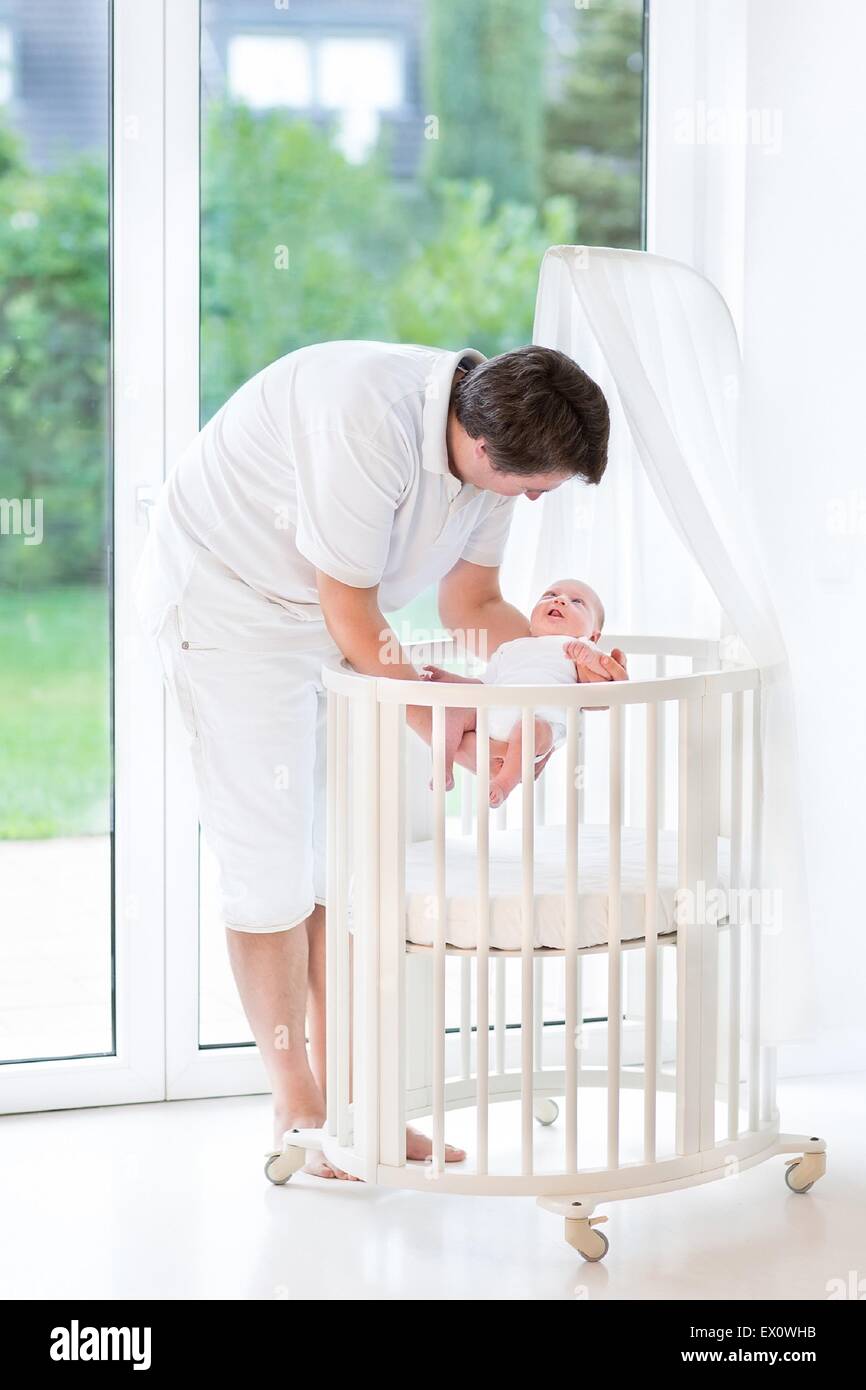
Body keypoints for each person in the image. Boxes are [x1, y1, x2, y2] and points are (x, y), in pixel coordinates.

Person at [135, 339, 626, 1178]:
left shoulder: (491, 436)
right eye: (537, 482)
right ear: (480, 448)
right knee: (271, 864)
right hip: (231, 606)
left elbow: (472, 602)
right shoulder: (363, 416)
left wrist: (548, 683)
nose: (542, 498)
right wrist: (449, 720)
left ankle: (359, 1109)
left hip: (337, 619)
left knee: (344, 867)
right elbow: (355, 615)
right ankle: (299, 1108)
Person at [422, 577, 609, 806]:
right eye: (550, 595)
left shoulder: (581, 650)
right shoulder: (511, 647)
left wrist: (590, 657)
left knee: (530, 728)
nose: (560, 600)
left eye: (577, 602)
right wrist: (450, 679)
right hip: (493, 713)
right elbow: (483, 684)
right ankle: (443, 766)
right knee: (452, 709)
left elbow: (604, 681)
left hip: (542, 722)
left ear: (593, 635)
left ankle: (503, 783)